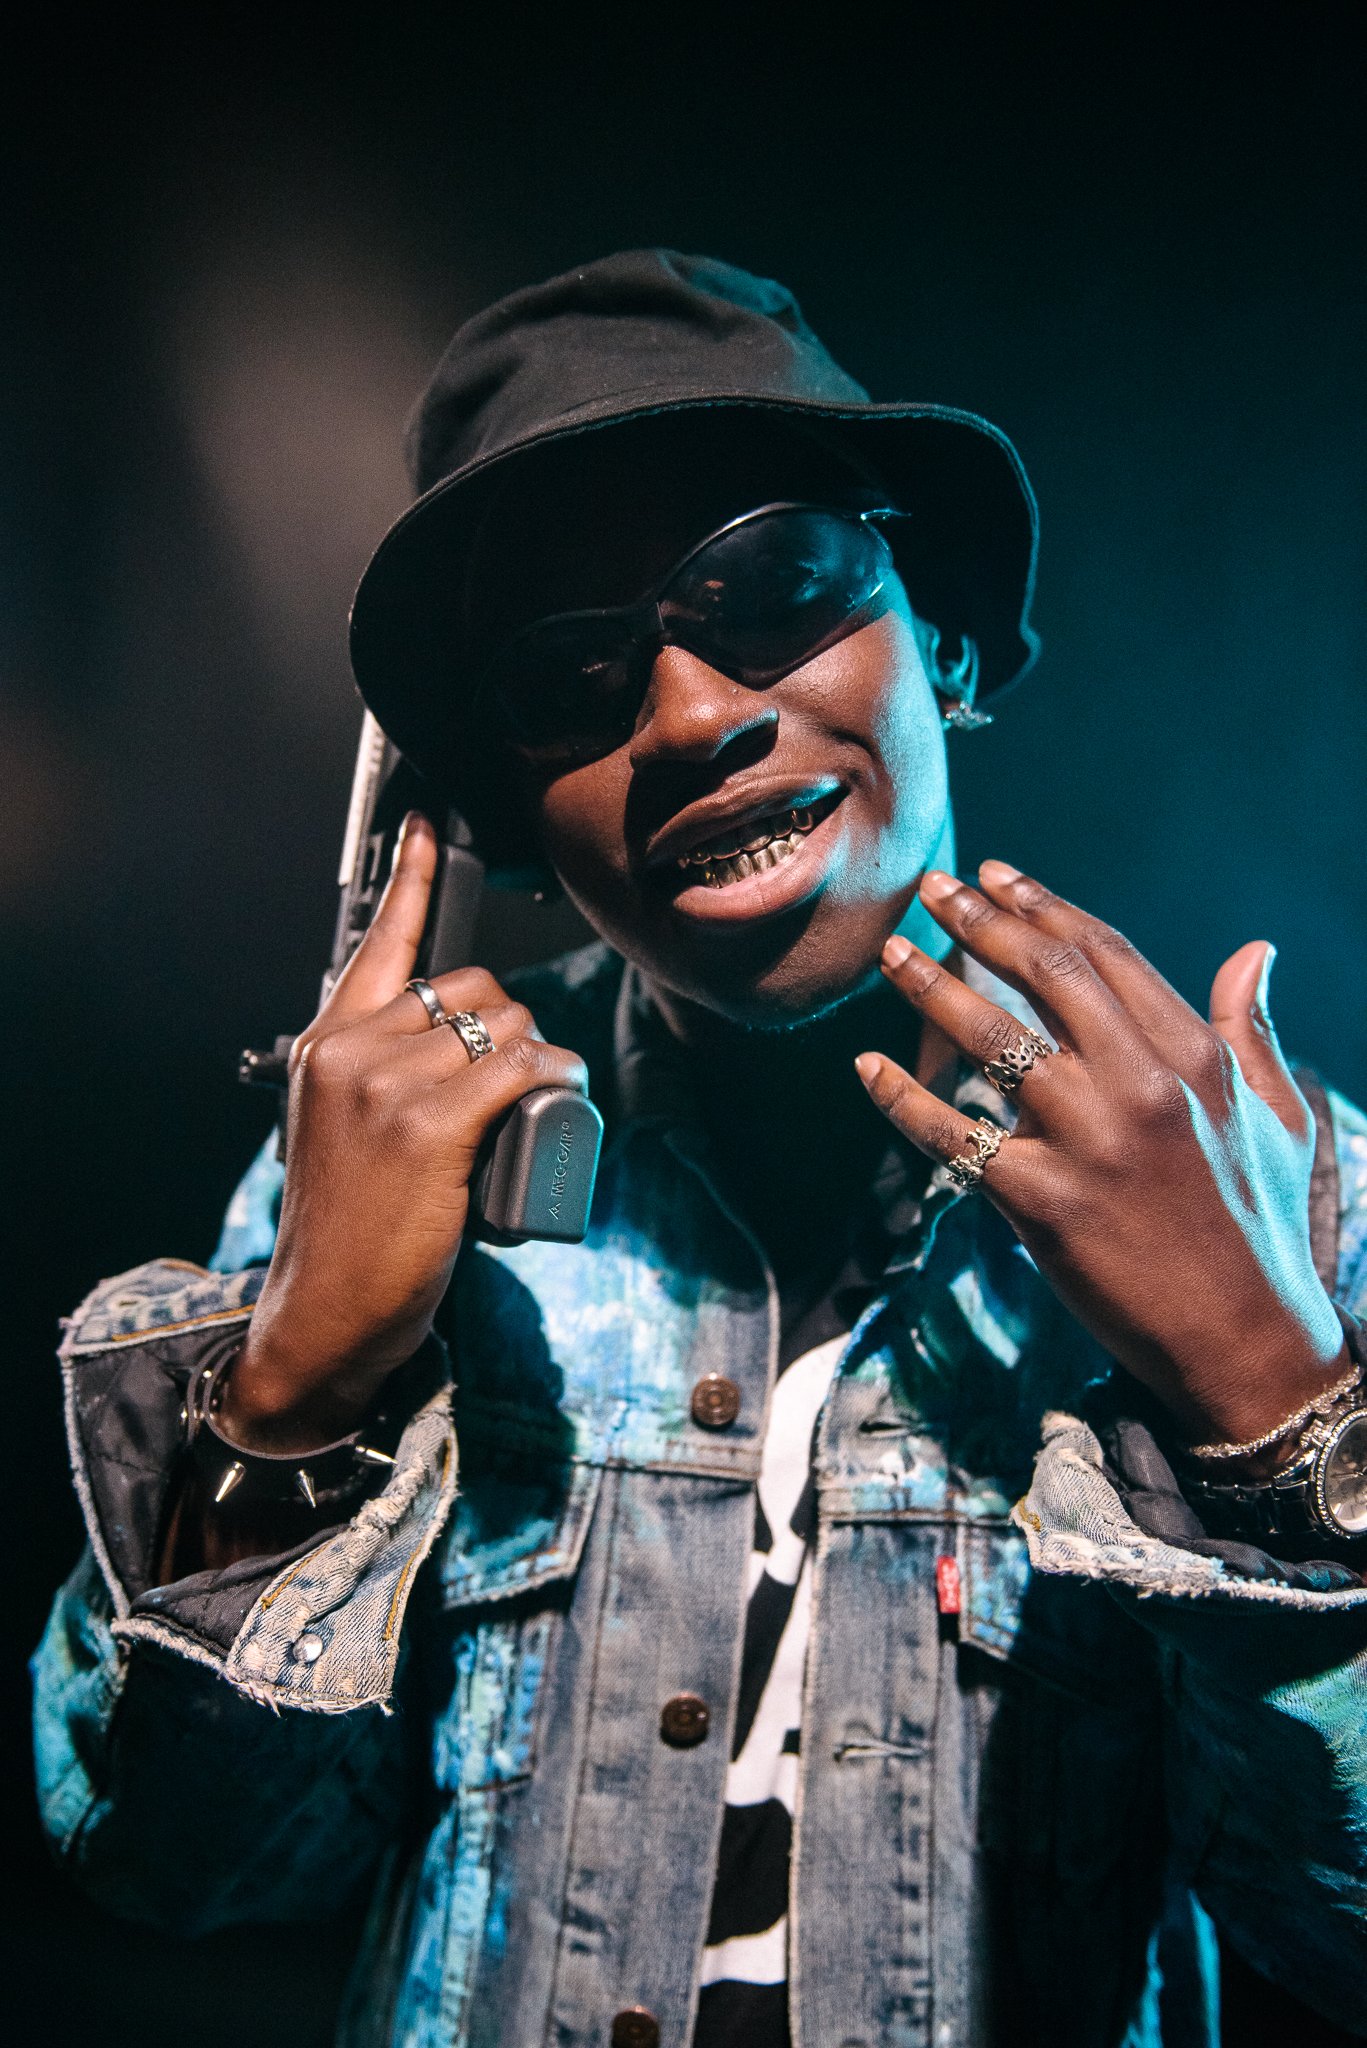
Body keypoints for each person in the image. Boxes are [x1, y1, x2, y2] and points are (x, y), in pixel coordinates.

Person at [32, 250, 1367, 2048]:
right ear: (496, 820)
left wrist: (1266, 1391)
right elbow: (178, 1866)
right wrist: (293, 1399)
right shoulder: (387, 1209)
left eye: (775, 583)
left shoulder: (1280, 1191)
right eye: (571, 673)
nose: (684, 715)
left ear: (949, 640)